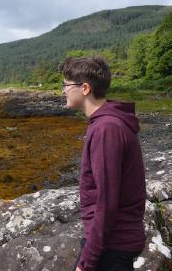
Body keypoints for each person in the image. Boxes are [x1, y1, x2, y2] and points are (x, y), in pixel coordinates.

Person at [58, 56, 147, 271]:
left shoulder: (107, 128)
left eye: (66, 85)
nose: (63, 90)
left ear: (85, 88)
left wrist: (87, 261)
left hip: (113, 246)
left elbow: (106, 201)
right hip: (111, 243)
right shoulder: (106, 123)